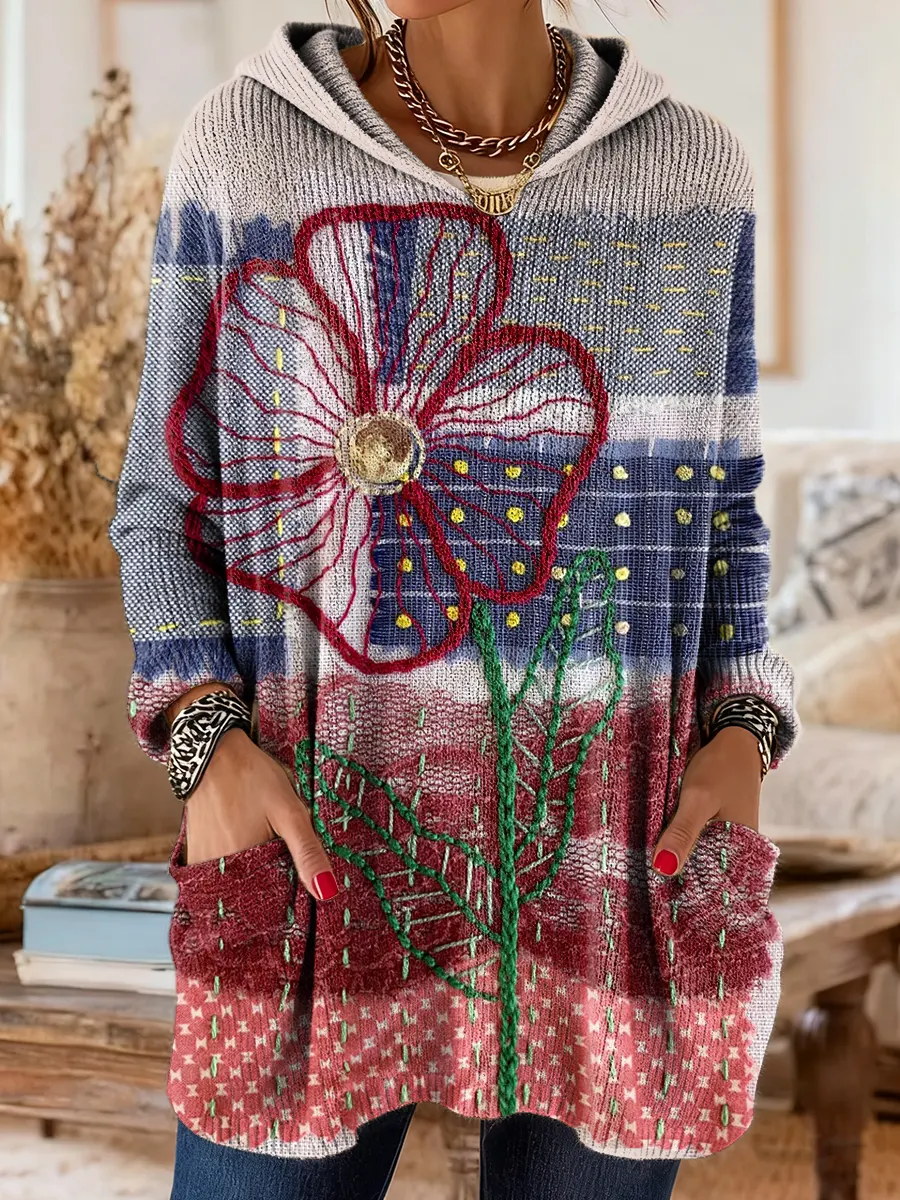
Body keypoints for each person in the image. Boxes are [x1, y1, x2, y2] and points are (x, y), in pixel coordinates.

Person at [111, 2, 796, 1197]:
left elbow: (722, 514)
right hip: (312, 861)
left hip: (616, 876)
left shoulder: (694, 171)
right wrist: (206, 745)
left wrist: (744, 730)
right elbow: (165, 505)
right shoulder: (250, 142)